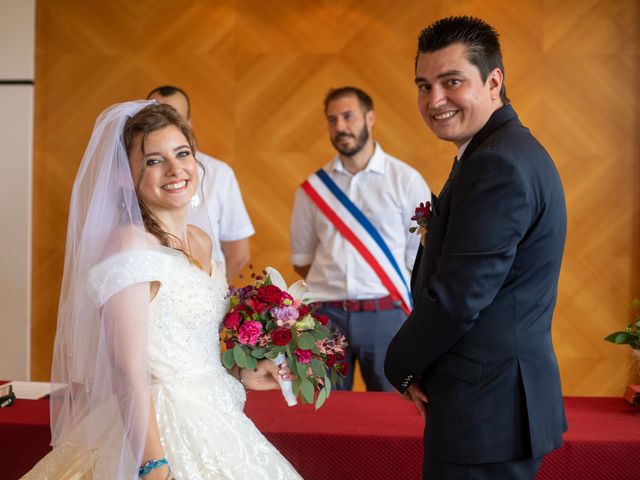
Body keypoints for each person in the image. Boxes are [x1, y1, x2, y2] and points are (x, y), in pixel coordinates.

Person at [23, 101, 301, 479]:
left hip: (217, 419)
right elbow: (128, 370)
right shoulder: (130, 245)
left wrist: (240, 374)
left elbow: (189, 349)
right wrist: (152, 464)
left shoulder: (202, 240)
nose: (174, 169)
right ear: (126, 176)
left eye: (182, 153)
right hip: (156, 430)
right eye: (153, 161)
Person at [384, 16, 567, 479]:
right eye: (424, 86)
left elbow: (459, 296)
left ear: (493, 81)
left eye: (452, 82)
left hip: (488, 409)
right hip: (491, 405)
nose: (435, 100)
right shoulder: (496, 151)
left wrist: (399, 365)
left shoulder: (497, 165)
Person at [290, 86, 430, 391]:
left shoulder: (406, 180)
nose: (340, 127)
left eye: (348, 116)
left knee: (393, 414)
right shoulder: (312, 189)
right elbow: (303, 260)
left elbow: (417, 256)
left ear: (369, 118)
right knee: (324, 412)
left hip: (386, 315)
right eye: (332, 119)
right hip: (325, 318)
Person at [147, 85, 254, 280]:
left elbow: (239, 252)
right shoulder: (139, 176)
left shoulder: (220, 174)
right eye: (156, 116)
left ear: (188, 123)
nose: (163, 124)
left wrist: (209, 293)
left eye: (173, 117)